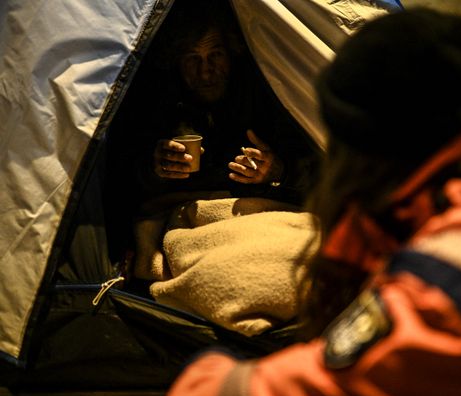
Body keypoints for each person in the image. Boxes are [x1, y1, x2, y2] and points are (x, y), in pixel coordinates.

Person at [165, 7, 461, 396]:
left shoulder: (456, 290)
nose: (206, 71)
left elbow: (281, 389)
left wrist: (206, 367)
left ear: (369, 152)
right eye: (192, 59)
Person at [105, 0, 321, 258]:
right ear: (176, 62)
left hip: (256, 224)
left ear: (231, 53)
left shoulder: (267, 97)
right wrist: (156, 170)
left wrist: (278, 171)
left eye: (215, 55)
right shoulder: (156, 102)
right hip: (184, 226)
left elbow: (320, 175)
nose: (206, 72)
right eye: (192, 58)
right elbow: (120, 181)